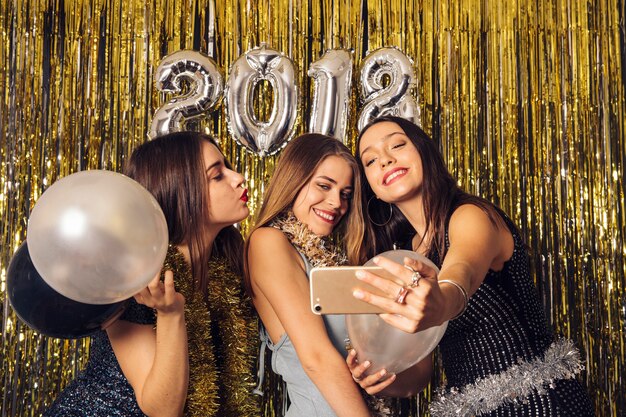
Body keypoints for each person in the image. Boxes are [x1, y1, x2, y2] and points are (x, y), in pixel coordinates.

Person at [345, 116, 595, 416]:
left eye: (397, 144)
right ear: (371, 186)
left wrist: (442, 300)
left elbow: (460, 271)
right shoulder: (405, 255)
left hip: (538, 403)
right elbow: (419, 375)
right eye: (370, 160)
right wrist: (380, 378)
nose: (384, 160)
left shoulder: (470, 216)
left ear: (425, 151)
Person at [45, 132, 259, 417]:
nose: (239, 177)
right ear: (180, 192)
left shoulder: (227, 271)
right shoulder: (130, 277)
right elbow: (162, 409)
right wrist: (171, 314)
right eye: (217, 175)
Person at [245, 133, 387, 417]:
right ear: (293, 181)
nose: (336, 203)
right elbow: (317, 359)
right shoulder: (268, 242)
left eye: (345, 194)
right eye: (324, 186)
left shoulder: (328, 264)